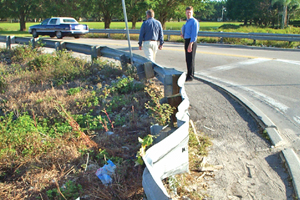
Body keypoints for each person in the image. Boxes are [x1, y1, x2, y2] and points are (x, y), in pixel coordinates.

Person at [181, 6, 199, 82]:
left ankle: (191, 76)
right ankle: (188, 74)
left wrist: (190, 44)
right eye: (187, 12)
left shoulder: (194, 22)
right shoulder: (187, 22)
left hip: (191, 41)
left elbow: (194, 34)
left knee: (191, 59)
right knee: (187, 59)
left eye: (190, 12)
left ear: (192, 12)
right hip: (186, 40)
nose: (188, 14)